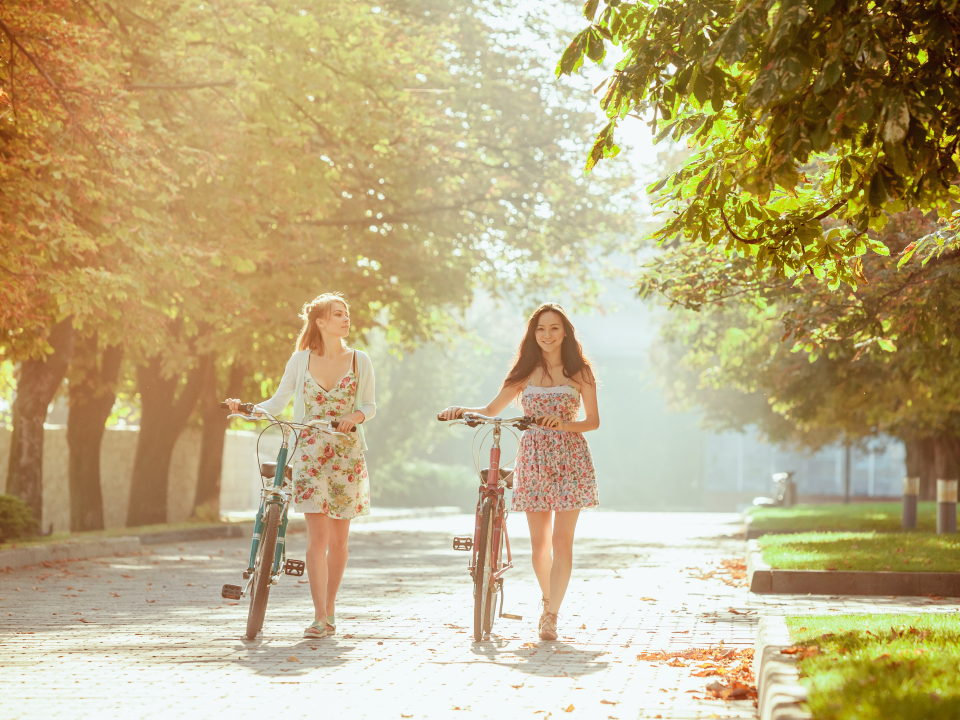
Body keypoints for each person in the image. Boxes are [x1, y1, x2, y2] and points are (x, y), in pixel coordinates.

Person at [439, 303, 599, 640]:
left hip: (571, 458)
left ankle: (552, 615)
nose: (547, 335)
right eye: (541, 329)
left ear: (565, 332)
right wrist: (459, 409)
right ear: (533, 333)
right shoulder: (525, 371)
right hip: (533, 458)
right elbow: (490, 409)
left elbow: (593, 422)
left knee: (562, 543)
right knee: (539, 544)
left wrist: (565, 424)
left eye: (554, 328)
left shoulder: (580, 372)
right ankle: (546, 601)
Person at [225, 292, 376, 639]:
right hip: (309, 452)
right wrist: (244, 407)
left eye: (346, 314)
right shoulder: (300, 361)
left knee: (339, 540)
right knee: (316, 537)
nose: (345, 319)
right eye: (338, 314)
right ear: (320, 322)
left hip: (346, 453)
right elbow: (278, 403)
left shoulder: (360, 360)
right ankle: (319, 615)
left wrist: (355, 416)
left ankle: (331, 607)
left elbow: (370, 405)